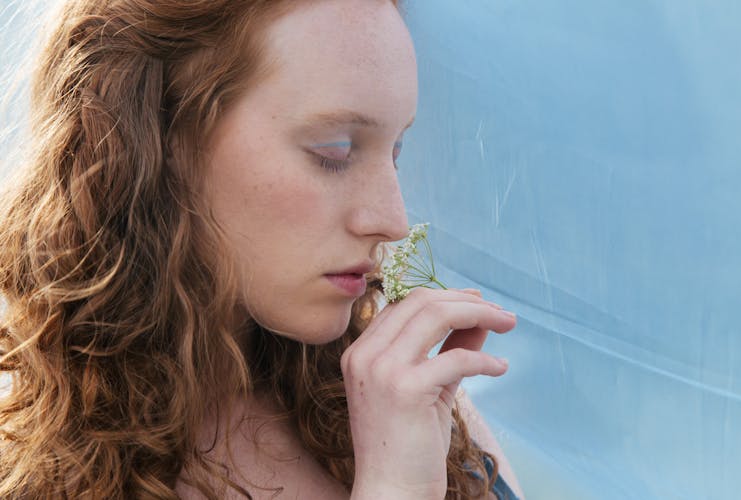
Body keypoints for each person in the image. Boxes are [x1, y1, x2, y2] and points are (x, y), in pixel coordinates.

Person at [0, 0, 525, 498]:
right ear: (160, 140)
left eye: (396, 151)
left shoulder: (402, 405)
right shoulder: (34, 469)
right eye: (335, 151)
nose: (393, 221)